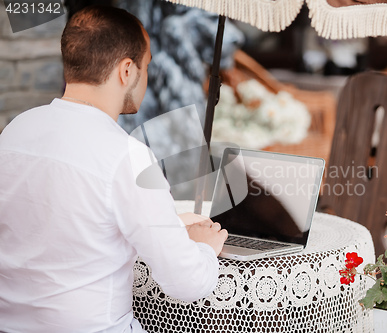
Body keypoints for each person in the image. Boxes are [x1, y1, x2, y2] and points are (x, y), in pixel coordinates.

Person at [0, 5, 227, 333]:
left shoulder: (16, 131)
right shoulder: (128, 156)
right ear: (126, 71)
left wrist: (168, 226)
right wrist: (206, 246)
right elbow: (187, 283)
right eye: (145, 66)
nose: (145, 78)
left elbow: (65, 227)